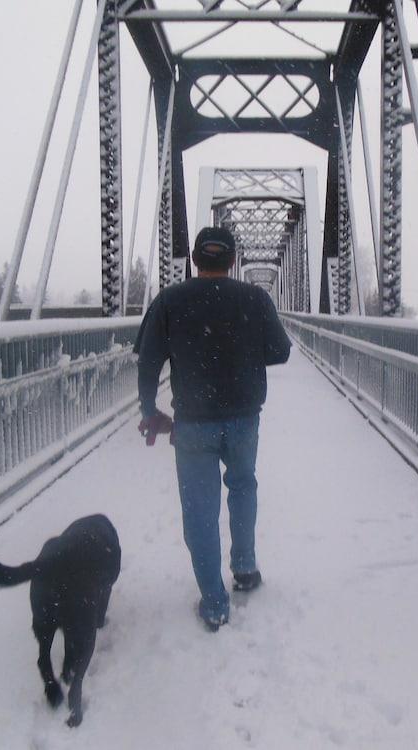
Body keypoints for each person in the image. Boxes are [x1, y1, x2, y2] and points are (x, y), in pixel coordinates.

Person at [134, 226, 291, 631]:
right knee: (242, 486)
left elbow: (148, 360)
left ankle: (215, 604)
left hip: (193, 424)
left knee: (200, 511)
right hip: (243, 417)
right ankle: (245, 568)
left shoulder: (170, 300)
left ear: (193, 260)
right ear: (234, 260)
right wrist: (241, 351)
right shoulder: (254, 298)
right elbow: (281, 351)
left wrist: (151, 410)